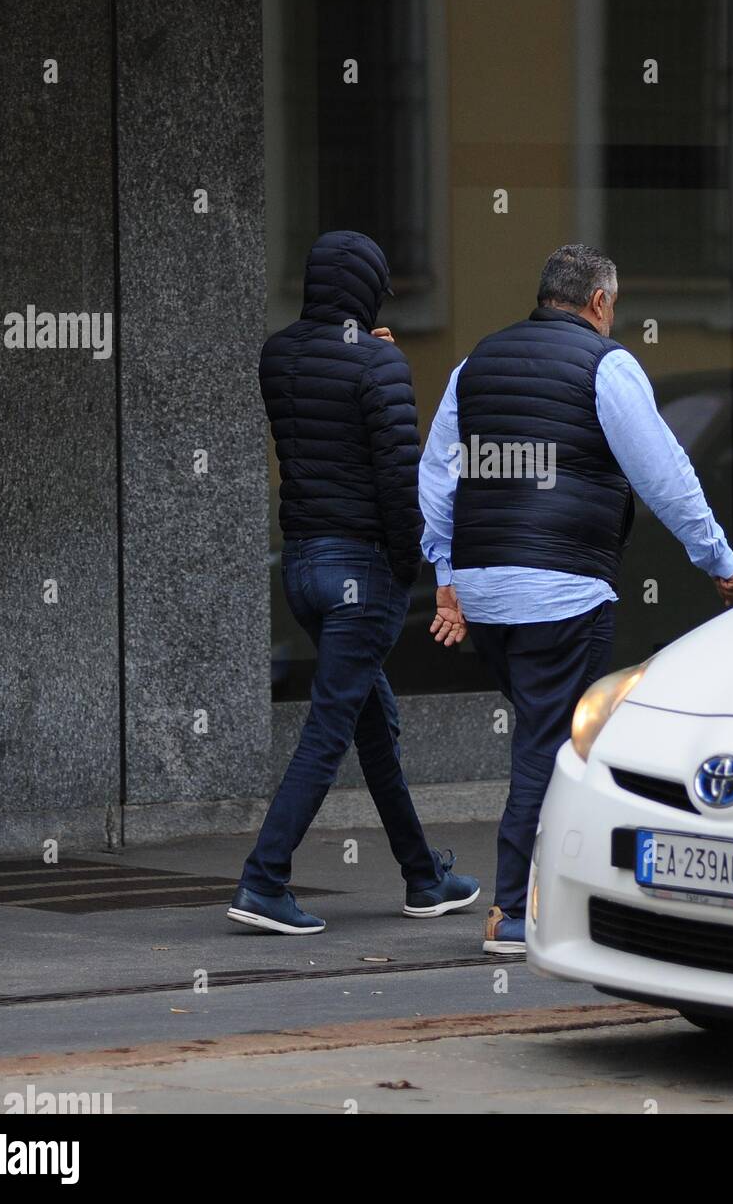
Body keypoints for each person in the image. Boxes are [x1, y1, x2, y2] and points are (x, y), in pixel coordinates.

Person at [419, 244, 733, 954]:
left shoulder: (477, 362)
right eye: (615, 305)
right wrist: (716, 557)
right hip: (560, 587)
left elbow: (438, 471)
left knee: (545, 729)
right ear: (599, 303)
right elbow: (663, 471)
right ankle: (513, 910)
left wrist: (446, 572)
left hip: (486, 590)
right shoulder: (608, 365)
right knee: (548, 742)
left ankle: (561, 890)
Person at [228, 230, 479, 935]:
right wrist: (412, 569)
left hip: (304, 568)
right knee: (330, 728)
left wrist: (369, 352)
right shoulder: (381, 366)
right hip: (361, 573)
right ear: (366, 294)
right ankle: (263, 880)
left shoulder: (277, 355)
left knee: (375, 721)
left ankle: (424, 876)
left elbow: (323, 388)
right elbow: (400, 485)